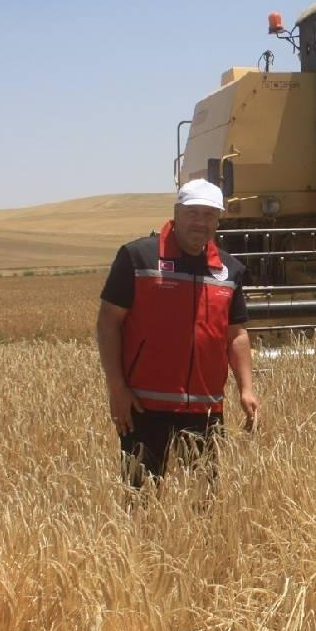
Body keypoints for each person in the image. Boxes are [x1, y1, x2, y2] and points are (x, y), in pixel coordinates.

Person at [96, 179, 259, 485]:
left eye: (209, 214)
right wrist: (116, 387)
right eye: (193, 213)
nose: (201, 222)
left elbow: (235, 334)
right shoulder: (138, 258)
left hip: (205, 407)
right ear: (176, 213)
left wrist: (246, 389)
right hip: (143, 405)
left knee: (203, 503)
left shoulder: (229, 269)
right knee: (139, 499)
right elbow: (108, 322)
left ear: (219, 219)